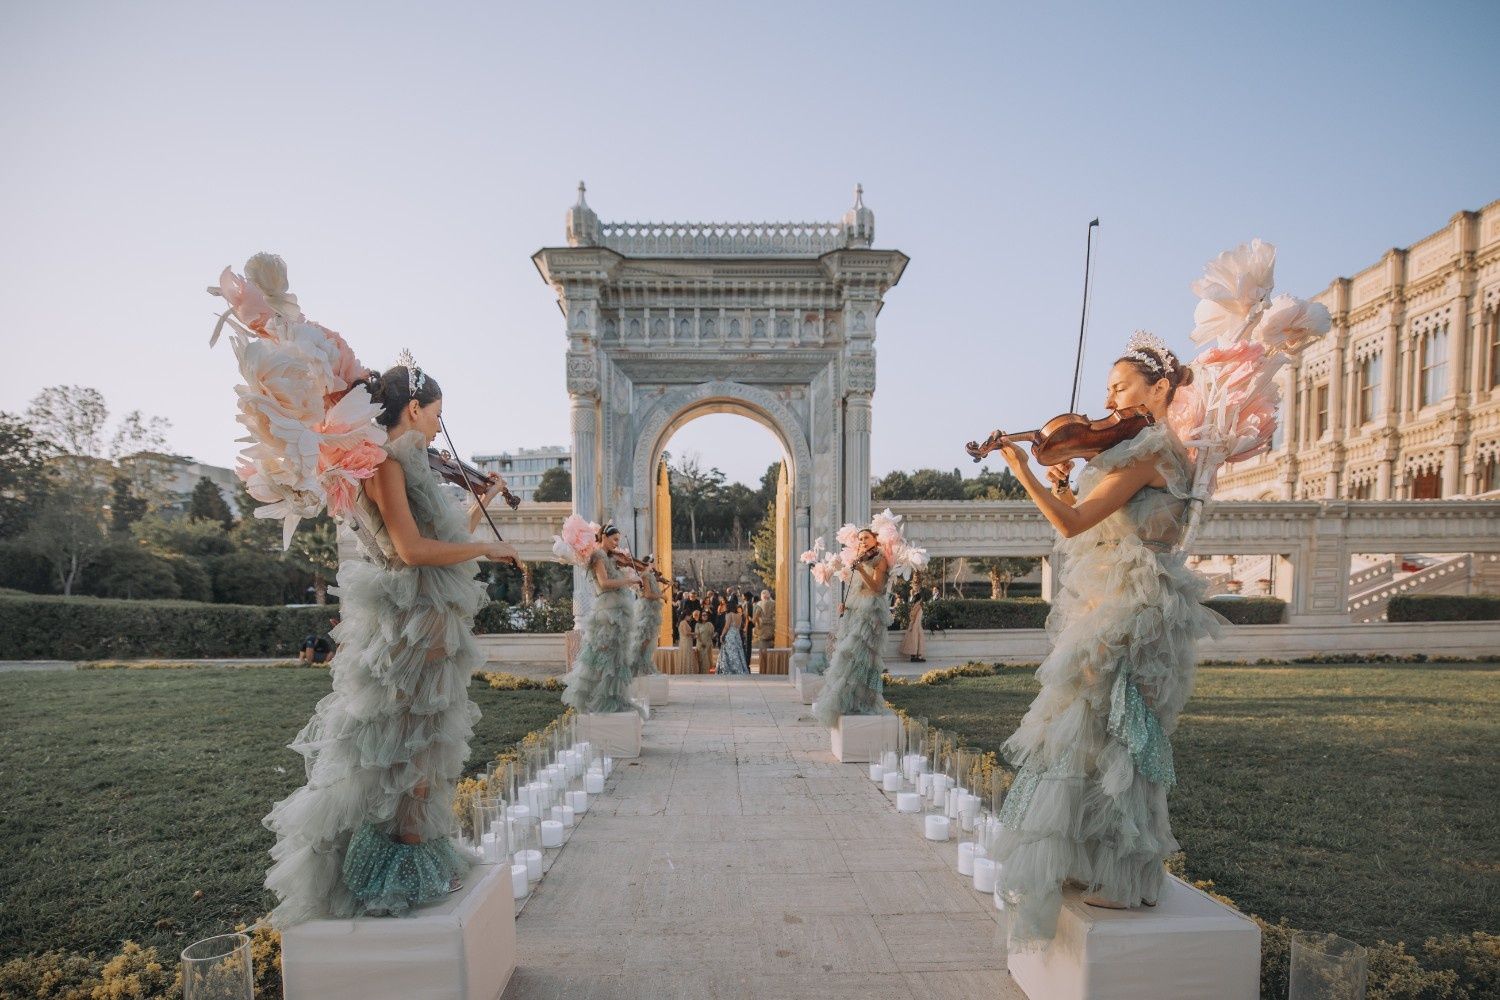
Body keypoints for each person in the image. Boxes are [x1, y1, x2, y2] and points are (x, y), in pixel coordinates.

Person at [263, 362, 521, 927]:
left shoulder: (404, 461)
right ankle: (394, 867)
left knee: (420, 746)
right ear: (413, 408)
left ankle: (410, 857)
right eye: (436, 414)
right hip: (412, 620)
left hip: (428, 619)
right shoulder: (384, 463)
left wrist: (478, 514)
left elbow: (437, 532)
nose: (438, 426)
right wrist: (488, 551)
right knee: (409, 746)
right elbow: (410, 550)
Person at [985, 338, 1221, 948]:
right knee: (1096, 727)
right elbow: (1087, 519)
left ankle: (1127, 873)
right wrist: (1061, 484)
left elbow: (1070, 525)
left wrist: (1023, 472)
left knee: (1117, 729)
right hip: (1116, 594)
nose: (1107, 403)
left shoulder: (1151, 451)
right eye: (1108, 391)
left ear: (1159, 391)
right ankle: (1101, 861)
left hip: (1133, 604)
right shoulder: (1139, 451)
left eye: (1119, 388)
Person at [811, 528, 894, 728]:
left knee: (865, 660)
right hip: (855, 611)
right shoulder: (862, 559)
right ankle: (850, 701)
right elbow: (857, 588)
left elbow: (877, 588)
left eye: (866, 538)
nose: (862, 541)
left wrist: (861, 569)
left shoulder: (879, 559)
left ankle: (866, 701)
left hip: (871, 613)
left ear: (875, 539)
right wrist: (845, 604)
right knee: (849, 658)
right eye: (860, 539)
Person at [560, 524, 646, 717]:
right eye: (614, 539)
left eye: (618, 540)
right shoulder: (598, 556)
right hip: (607, 612)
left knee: (615, 657)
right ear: (604, 537)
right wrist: (630, 581)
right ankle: (600, 701)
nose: (617, 544)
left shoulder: (609, 557)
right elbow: (604, 583)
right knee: (604, 657)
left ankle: (611, 699)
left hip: (616, 611)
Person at [629, 560, 665, 679]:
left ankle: (643, 664)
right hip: (647, 611)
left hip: (650, 610)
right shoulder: (645, 575)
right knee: (643, 639)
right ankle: (637, 665)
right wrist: (661, 595)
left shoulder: (648, 576)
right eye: (653, 563)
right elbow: (648, 594)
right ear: (649, 563)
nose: (655, 566)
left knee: (647, 639)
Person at [715, 602, 749, 675]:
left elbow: (727, 626)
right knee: (738, 652)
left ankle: (728, 670)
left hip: (730, 635)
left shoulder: (729, 614)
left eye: (726, 606)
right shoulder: (739, 616)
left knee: (728, 652)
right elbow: (739, 627)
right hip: (737, 636)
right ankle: (739, 670)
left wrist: (722, 635)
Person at [900, 583, 927, 663]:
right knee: (918, 641)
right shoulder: (919, 607)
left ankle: (914, 656)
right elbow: (918, 618)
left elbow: (912, 616)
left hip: (913, 626)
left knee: (913, 641)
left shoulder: (914, 606)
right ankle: (917, 656)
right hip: (916, 626)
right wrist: (916, 627)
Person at [753, 589, 775, 664]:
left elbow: (756, 617)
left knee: (763, 647)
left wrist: (758, 625)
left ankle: (764, 665)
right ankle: (771, 664)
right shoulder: (774, 603)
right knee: (771, 647)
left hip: (763, 627)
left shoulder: (759, 604)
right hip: (772, 626)